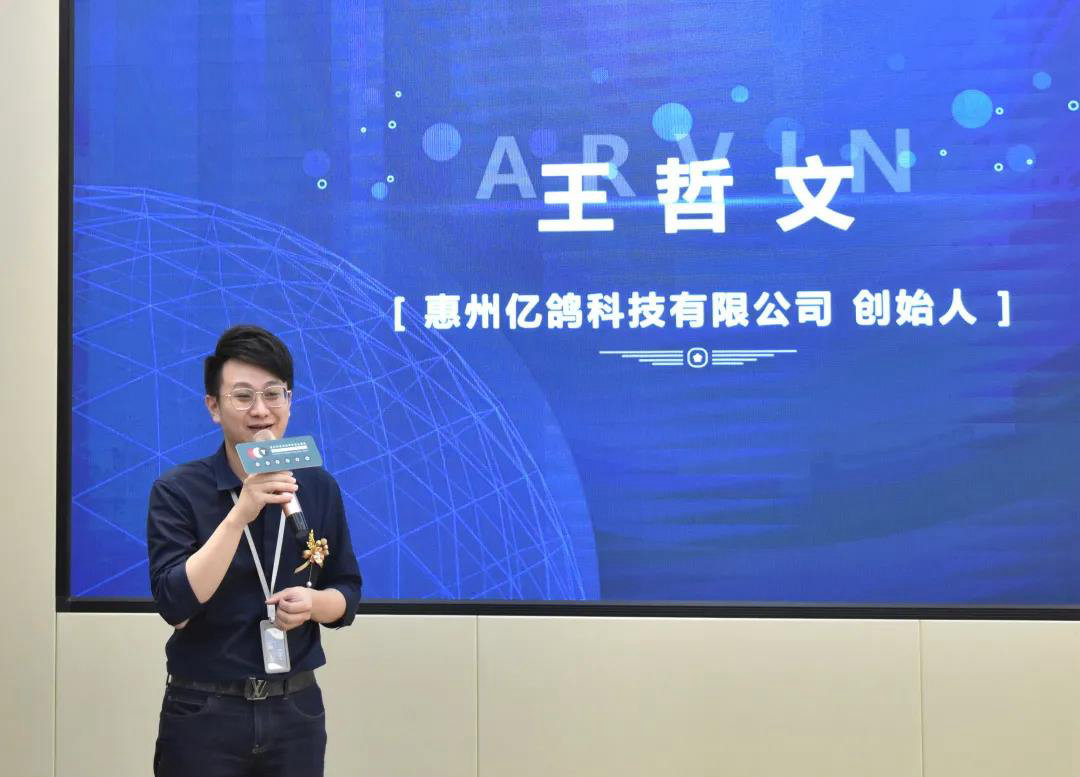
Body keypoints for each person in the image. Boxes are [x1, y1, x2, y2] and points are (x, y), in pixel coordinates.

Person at [146, 325, 362, 777]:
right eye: (243, 396)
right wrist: (239, 514)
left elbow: (346, 591)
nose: (261, 410)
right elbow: (175, 606)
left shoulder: (317, 486)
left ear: (290, 400)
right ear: (214, 407)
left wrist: (314, 604)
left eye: (273, 394)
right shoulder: (178, 490)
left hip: (295, 710)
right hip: (204, 711)